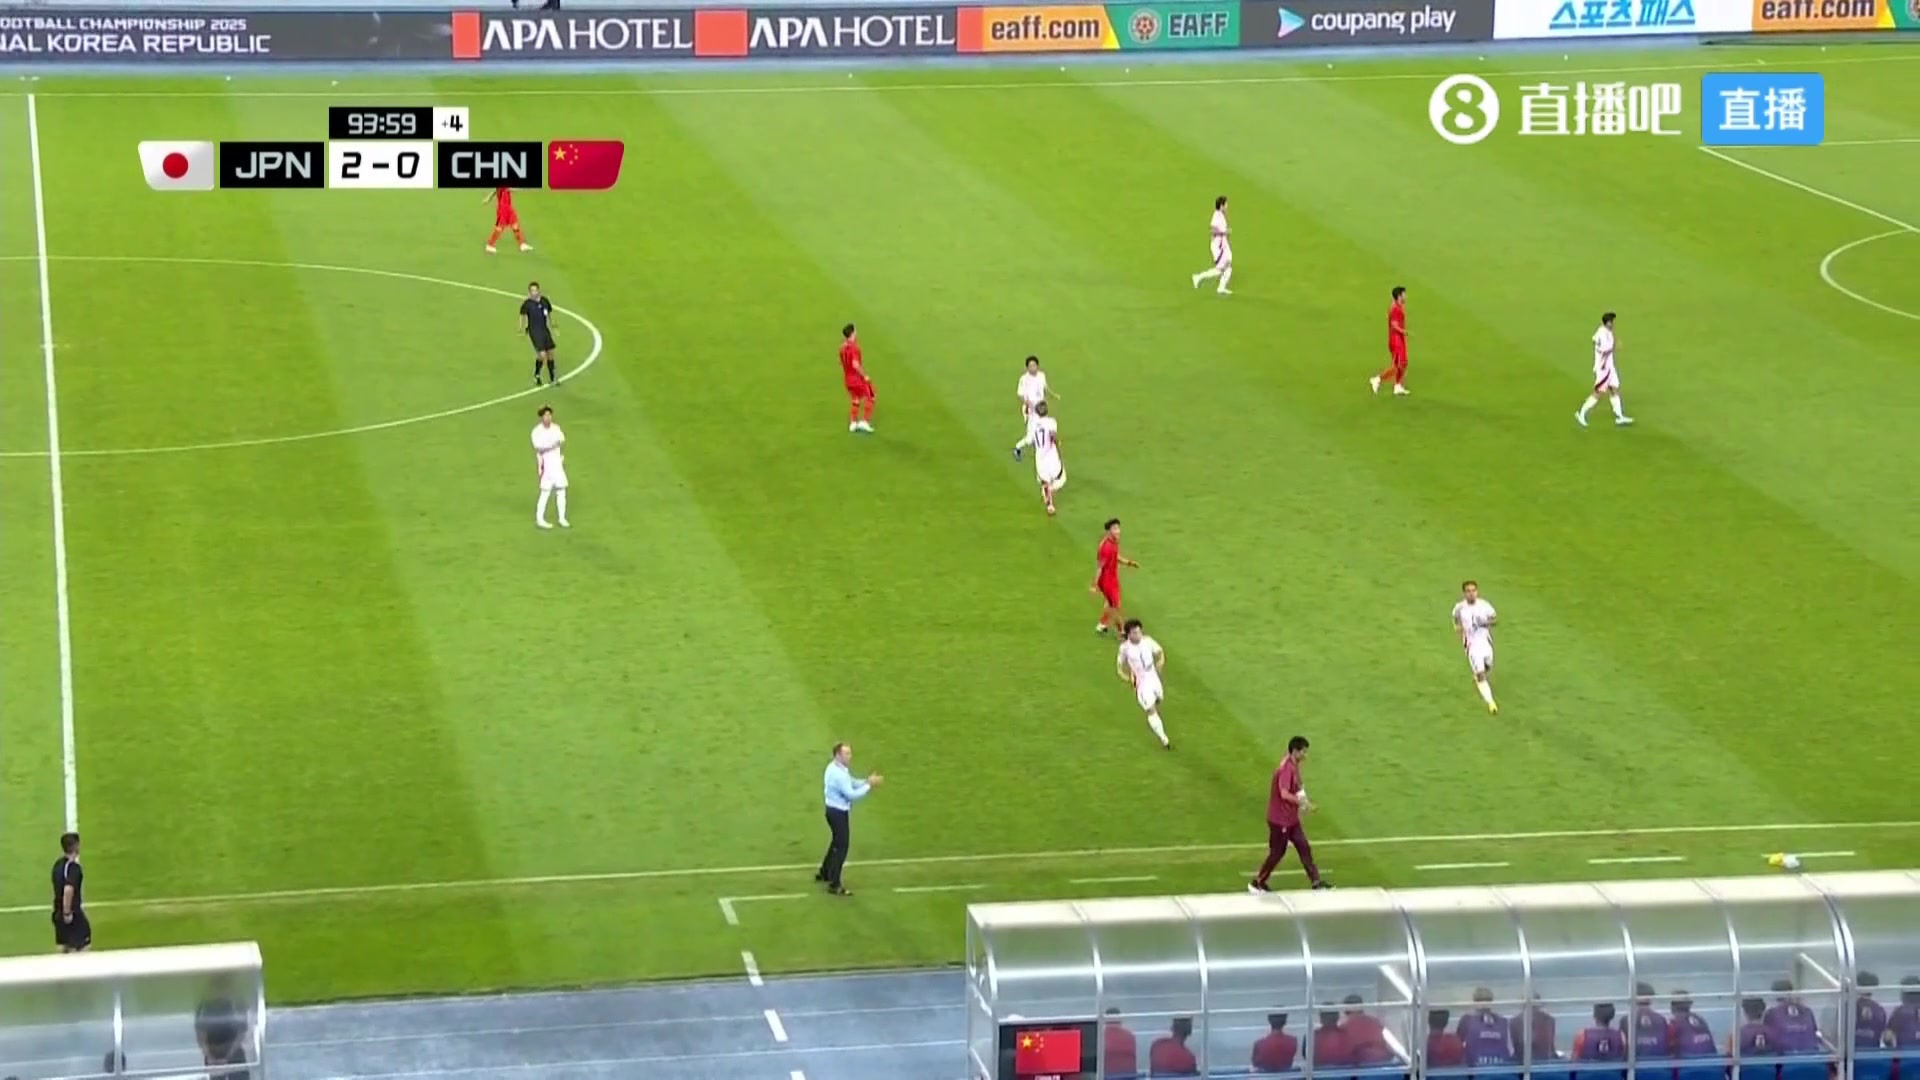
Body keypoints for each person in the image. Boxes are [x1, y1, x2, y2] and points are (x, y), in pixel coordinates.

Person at [1250, 736, 1327, 892]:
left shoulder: (1294, 766)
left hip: (1291, 819)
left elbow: (1298, 788)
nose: (1305, 755)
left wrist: (1306, 803)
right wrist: (1302, 803)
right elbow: (1284, 794)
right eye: (1303, 752)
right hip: (1280, 820)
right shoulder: (1286, 769)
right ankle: (1258, 882)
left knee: (1304, 847)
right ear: (1295, 751)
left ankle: (1316, 882)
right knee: (1278, 852)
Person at [816, 742, 880, 897]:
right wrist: (869, 786)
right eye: (847, 754)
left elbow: (851, 781)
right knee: (842, 847)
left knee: (836, 843)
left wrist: (866, 781)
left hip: (832, 811)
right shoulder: (838, 774)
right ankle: (834, 884)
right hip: (838, 814)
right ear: (838, 755)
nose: (850, 756)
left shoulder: (834, 768)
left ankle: (825, 872)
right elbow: (851, 794)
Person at [1115, 619, 1170, 750]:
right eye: (1135, 633)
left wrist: (1160, 662)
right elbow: (1119, 667)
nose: (1138, 635)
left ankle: (1155, 720)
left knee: (1159, 700)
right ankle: (1164, 739)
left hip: (1153, 676)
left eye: (1139, 632)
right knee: (1150, 710)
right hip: (1141, 682)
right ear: (1129, 634)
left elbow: (1160, 652)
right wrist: (1127, 678)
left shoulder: (1148, 641)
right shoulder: (1125, 648)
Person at [1577, 312, 1633, 428]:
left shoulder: (1605, 332)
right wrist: (1615, 347)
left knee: (1614, 390)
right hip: (1603, 369)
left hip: (1609, 367)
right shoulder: (1602, 334)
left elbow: (1594, 340)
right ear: (1608, 323)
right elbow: (1603, 350)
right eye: (1612, 322)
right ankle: (1581, 414)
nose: (1613, 324)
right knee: (1598, 393)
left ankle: (1619, 416)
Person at [1451, 581, 1499, 714]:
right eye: (1468, 591)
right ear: (1464, 593)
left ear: (1477, 592)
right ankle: (1491, 703)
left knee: (1488, 665)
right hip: (1472, 646)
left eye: (1473, 590)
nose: (1471, 593)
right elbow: (1455, 618)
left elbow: (1495, 620)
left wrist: (1484, 623)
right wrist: (1458, 627)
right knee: (1481, 675)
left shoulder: (1484, 605)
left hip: (1486, 642)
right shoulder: (1460, 607)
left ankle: (1478, 675)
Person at [1013, 401, 1066, 516]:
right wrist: (1058, 443)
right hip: (1051, 454)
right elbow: (1052, 434)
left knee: (1046, 479)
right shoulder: (1051, 422)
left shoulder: (1033, 425)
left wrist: (1018, 446)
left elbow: (1029, 440)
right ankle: (1050, 498)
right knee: (1059, 478)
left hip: (1040, 457)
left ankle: (1049, 501)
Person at [195, 978, 251, 1080]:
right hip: (213, 1053)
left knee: (239, 1074)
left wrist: (228, 1056)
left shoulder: (237, 1004)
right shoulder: (205, 1007)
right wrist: (211, 1057)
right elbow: (201, 1035)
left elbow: (241, 1033)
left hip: (233, 1051)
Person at [1092, 519, 1139, 636]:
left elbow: (1115, 556)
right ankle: (1122, 631)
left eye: (1118, 528)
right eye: (1114, 529)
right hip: (1107, 581)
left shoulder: (1113, 541)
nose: (1118, 531)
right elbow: (1100, 567)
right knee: (1116, 607)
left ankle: (1102, 625)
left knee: (1110, 603)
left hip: (1112, 578)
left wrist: (1128, 562)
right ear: (1108, 531)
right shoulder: (1106, 547)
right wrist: (1095, 585)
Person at [530, 406, 569, 530]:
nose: (548, 417)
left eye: (549, 415)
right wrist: (552, 444)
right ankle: (540, 519)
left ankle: (562, 518)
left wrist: (553, 445)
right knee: (545, 492)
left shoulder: (556, 428)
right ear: (541, 417)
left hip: (557, 464)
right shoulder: (537, 431)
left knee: (561, 490)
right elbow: (539, 447)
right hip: (546, 465)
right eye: (546, 415)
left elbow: (562, 439)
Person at [1457, 989, 1516, 1067]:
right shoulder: (1503, 1021)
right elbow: (1511, 1050)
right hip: (1501, 1066)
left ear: (1475, 1002)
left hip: (1475, 1067)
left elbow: (1458, 1043)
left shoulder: (1467, 1020)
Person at [1370, 286, 1411, 397]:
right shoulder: (1395, 309)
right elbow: (1394, 325)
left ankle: (1398, 386)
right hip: (1396, 340)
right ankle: (1377, 379)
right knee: (1397, 365)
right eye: (1404, 294)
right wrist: (1404, 331)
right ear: (1399, 296)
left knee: (1404, 363)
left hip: (1400, 338)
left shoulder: (1398, 306)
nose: (1406, 296)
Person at [52, 832, 87, 953]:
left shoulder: (57, 865)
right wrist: (67, 913)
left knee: (64, 948)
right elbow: (68, 889)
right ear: (75, 846)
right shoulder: (73, 868)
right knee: (84, 947)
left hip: (57, 914)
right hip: (72, 915)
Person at [1190, 195, 1232, 295]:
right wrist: (1224, 232)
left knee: (1228, 266)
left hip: (1223, 244)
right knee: (1220, 270)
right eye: (1226, 204)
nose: (1227, 206)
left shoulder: (1221, 214)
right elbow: (1212, 229)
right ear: (1221, 205)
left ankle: (1221, 288)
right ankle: (1198, 277)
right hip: (1219, 246)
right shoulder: (1216, 216)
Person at [1765, 980, 1821, 1053]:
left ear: (1775, 995)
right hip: (1811, 1055)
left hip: (1785, 1056)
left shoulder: (1771, 1013)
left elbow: (1767, 1037)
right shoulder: (1807, 1010)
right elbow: (1815, 1032)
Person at [839, 323, 875, 434]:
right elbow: (855, 364)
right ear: (852, 333)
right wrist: (864, 376)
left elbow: (842, 363)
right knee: (871, 396)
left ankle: (853, 423)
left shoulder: (842, 348)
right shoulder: (854, 347)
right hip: (857, 379)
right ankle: (865, 422)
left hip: (847, 380)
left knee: (856, 399)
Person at [521, 282, 557, 386]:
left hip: (544, 330)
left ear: (538, 290)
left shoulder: (545, 301)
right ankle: (537, 375)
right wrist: (522, 328)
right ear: (529, 292)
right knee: (542, 355)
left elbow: (549, 313)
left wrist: (553, 324)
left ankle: (552, 378)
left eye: (535, 290)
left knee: (551, 353)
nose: (534, 293)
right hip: (534, 331)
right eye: (532, 291)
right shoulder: (527, 304)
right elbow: (523, 315)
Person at [1341, 995, 1393, 1065]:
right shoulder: (1375, 1021)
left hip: (1362, 1062)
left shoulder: (1343, 1026)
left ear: (1345, 1010)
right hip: (1382, 1059)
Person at [1627, 982, 1671, 1061]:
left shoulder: (1627, 1019)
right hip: (1659, 1062)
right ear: (1650, 999)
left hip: (1636, 1064)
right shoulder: (1661, 1019)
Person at [1014, 355, 1055, 439]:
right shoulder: (1024, 379)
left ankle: (1042, 443)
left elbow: (1044, 388)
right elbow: (1020, 394)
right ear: (1027, 368)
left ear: (1037, 366)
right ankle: (1020, 445)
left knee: (1043, 427)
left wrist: (1050, 396)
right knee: (1031, 434)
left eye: (1034, 365)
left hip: (1041, 407)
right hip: (1030, 408)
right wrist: (1027, 404)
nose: (1033, 368)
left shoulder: (1042, 375)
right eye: (1030, 366)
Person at [1670, 991, 1719, 1058]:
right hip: (1713, 1061)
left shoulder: (1675, 1023)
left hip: (1689, 1063)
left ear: (1673, 1006)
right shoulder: (1700, 1019)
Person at [484, 186, 531, 254]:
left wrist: (488, 198)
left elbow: (496, 191)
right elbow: (510, 189)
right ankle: (490, 245)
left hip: (509, 208)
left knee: (515, 226)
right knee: (500, 227)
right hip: (503, 209)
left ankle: (522, 244)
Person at [1511, 995, 1557, 1064]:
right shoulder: (1515, 1022)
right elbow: (1515, 1048)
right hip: (1524, 1062)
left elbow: (1551, 1045)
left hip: (1543, 1062)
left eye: (1534, 1006)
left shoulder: (1549, 1020)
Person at [1856, 973, 1889, 1050]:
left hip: (1851, 1052)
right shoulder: (1879, 1010)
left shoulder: (1848, 1006)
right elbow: (1884, 1034)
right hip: (1873, 1052)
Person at [1103, 1007, 1138, 1077]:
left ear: (1104, 1020)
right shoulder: (1130, 1037)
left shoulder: (1100, 1036)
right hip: (1127, 1077)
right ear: (1120, 1020)